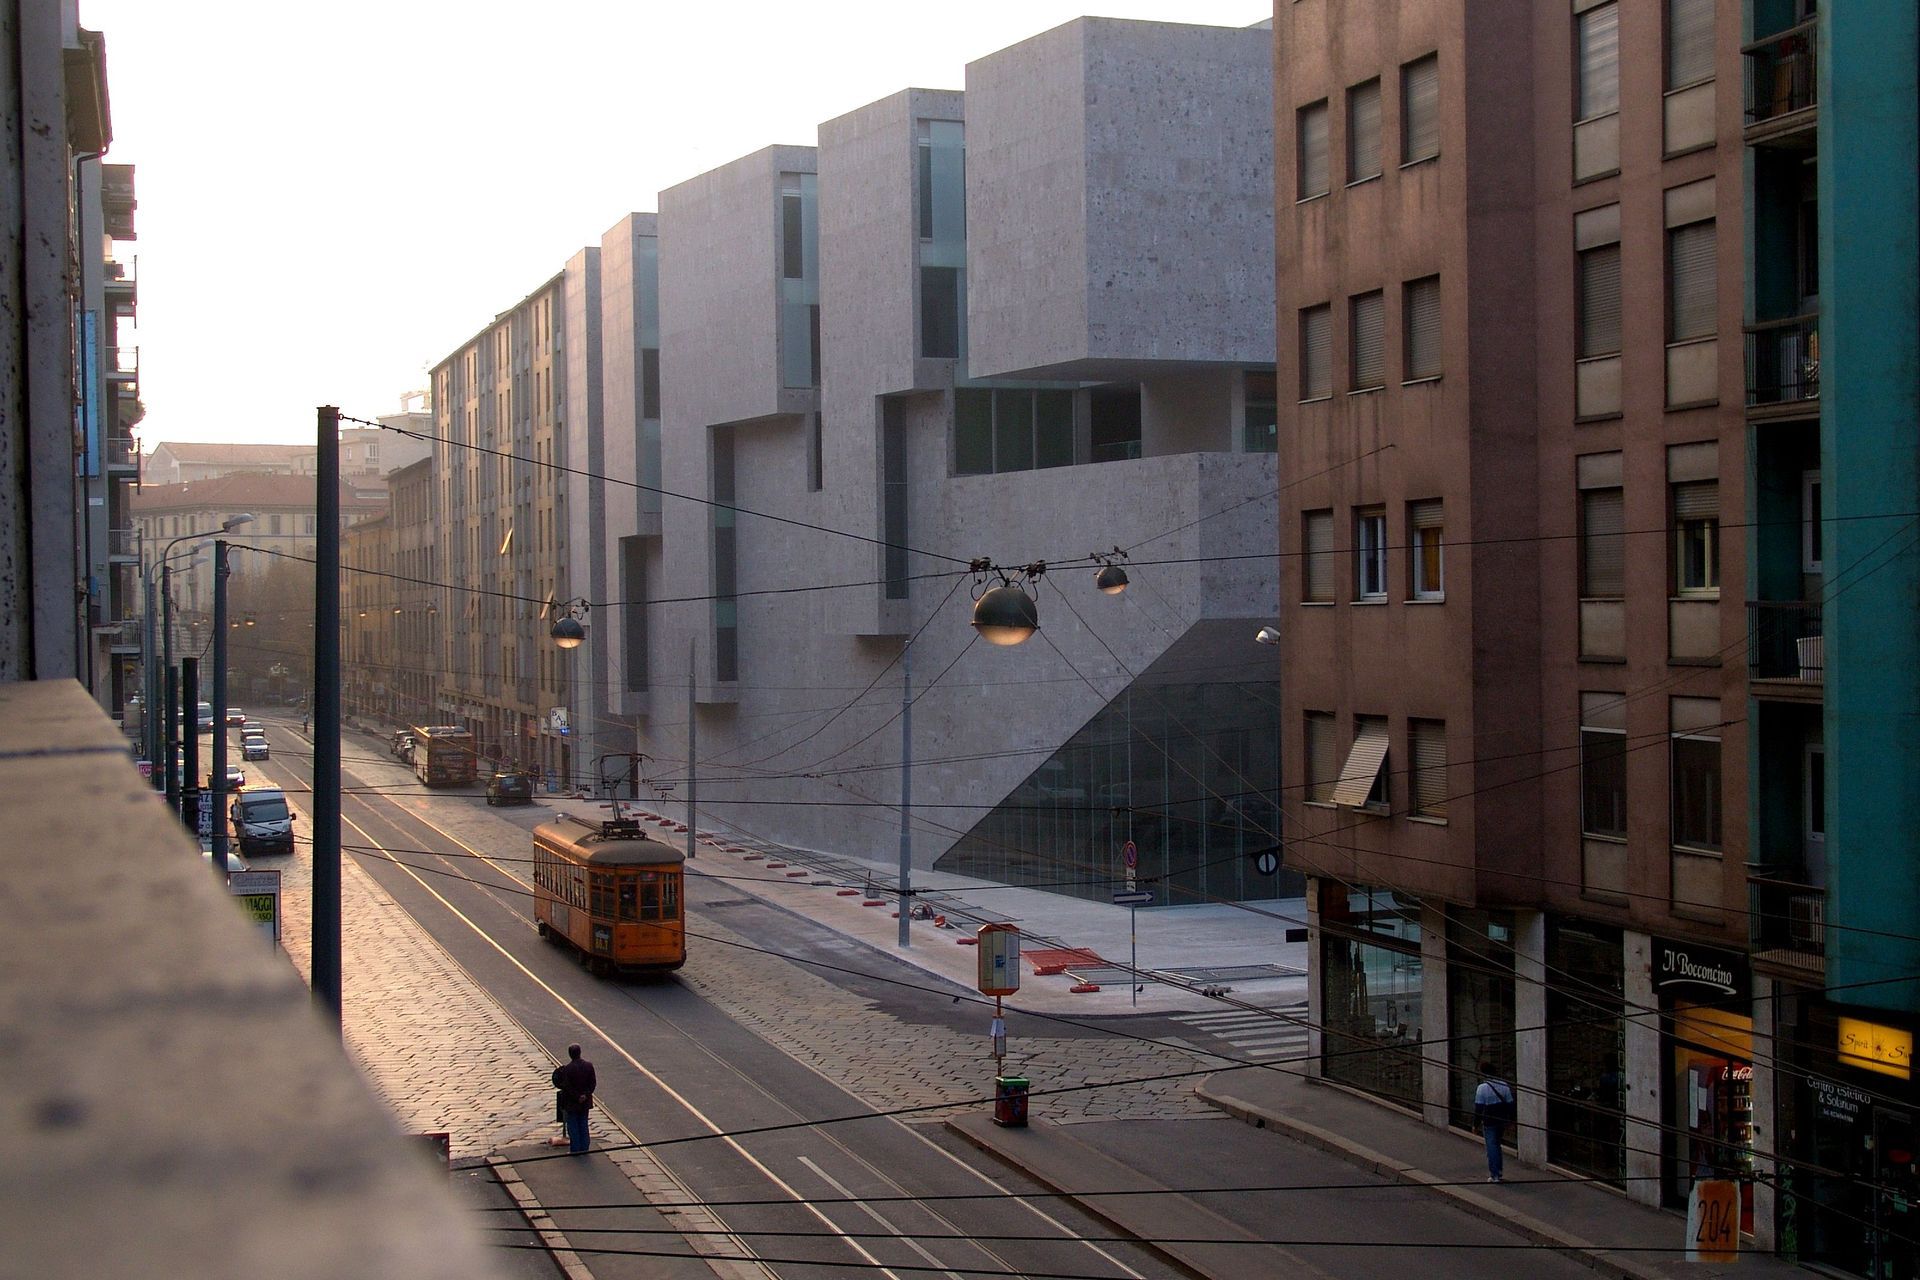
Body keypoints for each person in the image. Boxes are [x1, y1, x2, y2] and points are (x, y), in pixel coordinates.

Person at [1473, 1060, 1516, 1183]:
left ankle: (1495, 1174)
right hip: (1502, 1120)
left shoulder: (1482, 1088)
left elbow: (1478, 1108)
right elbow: (1511, 1105)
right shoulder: (1504, 1085)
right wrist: (1512, 1121)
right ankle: (1499, 1172)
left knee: (1492, 1147)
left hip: (1489, 1120)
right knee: (1497, 1144)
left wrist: (1475, 1125)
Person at [551, 1043, 596, 1155]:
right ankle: (585, 1147)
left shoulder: (568, 1069)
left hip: (572, 1102)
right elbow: (592, 1083)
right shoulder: (589, 1066)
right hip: (585, 1102)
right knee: (583, 1124)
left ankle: (575, 1149)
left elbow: (567, 1087)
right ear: (580, 1052)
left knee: (573, 1126)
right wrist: (585, 1095)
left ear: (570, 1054)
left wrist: (577, 1097)